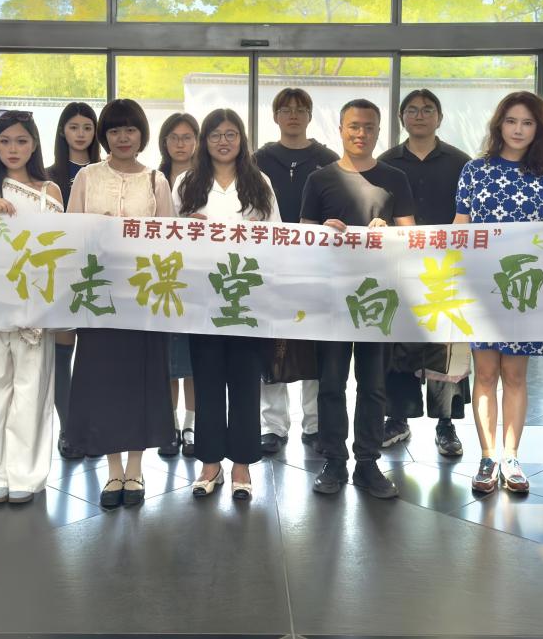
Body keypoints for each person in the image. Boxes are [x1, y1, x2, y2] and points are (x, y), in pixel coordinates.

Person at [300, 99, 415, 499]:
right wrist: (324, 233)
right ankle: (333, 460)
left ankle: (367, 462)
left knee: (373, 385)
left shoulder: (394, 178)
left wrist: (389, 233)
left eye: (368, 127)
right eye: (353, 126)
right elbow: (304, 237)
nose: (361, 133)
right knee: (331, 383)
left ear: (379, 131)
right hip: (333, 297)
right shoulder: (320, 179)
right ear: (341, 130)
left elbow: (411, 236)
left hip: (379, 297)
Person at [65, 99, 176, 508]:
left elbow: (169, 239)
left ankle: (136, 467)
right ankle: (113, 470)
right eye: (114, 131)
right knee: (104, 380)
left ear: (142, 134)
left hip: (143, 296)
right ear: (104, 136)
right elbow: (70, 233)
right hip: (97, 295)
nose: (123, 138)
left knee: (142, 379)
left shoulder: (156, 181)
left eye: (130, 130)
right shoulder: (87, 177)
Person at [454, 91, 543, 495]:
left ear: (539, 130)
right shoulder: (474, 170)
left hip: (525, 291)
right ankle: (487, 458)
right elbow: (460, 226)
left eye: (528, 123)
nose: (518, 129)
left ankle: (512, 458)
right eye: (512, 121)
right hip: (482, 287)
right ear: (499, 124)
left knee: (515, 376)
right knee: (484, 374)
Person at [172, 109, 279, 500]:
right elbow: (168, 237)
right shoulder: (187, 182)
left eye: (231, 134)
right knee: (208, 381)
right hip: (203, 298)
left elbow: (277, 236)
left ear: (242, 139)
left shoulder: (259, 182)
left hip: (247, 297)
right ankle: (210, 463)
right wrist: (189, 228)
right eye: (215, 134)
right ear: (205, 141)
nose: (223, 141)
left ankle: (242, 466)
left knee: (246, 382)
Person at [0, 110, 62, 505]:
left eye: (21, 141)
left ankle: (25, 473)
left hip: (34, 304)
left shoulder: (50, 192)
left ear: (34, 144)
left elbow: (60, 246)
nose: (13, 149)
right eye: (4, 141)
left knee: (31, 389)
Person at [376, 89, 472, 458]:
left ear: (439, 117)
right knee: (398, 346)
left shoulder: (461, 163)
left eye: (427, 109)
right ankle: (397, 419)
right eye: (412, 110)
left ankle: (446, 424)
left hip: (446, 270)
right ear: (401, 118)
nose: (420, 115)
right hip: (399, 269)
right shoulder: (386, 163)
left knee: (445, 348)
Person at [253, 88, 337, 455]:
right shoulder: (257, 160)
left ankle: (314, 424)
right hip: (269, 265)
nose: (293, 115)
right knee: (271, 343)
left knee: (314, 344)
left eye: (300, 110)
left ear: (309, 116)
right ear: (275, 116)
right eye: (285, 109)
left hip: (315, 265)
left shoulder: (328, 160)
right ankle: (274, 425)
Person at [45, 102, 102, 461]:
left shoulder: (105, 172)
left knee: (95, 356)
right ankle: (69, 429)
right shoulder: (47, 175)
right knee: (62, 353)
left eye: (87, 127)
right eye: (73, 127)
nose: (80, 134)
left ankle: (95, 427)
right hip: (61, 272)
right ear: (62, 131)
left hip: (99, 273)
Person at [156, 112, 199, 458]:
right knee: (167, 359)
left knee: (193, 358)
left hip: (196, 278)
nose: (180, 144)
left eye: (187, 137)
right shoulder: (153, 179)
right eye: (174, 137)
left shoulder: (205, 179)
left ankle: (191, 424)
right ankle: (168, 424)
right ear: (164, 142)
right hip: (161, 276)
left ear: (197, 141)